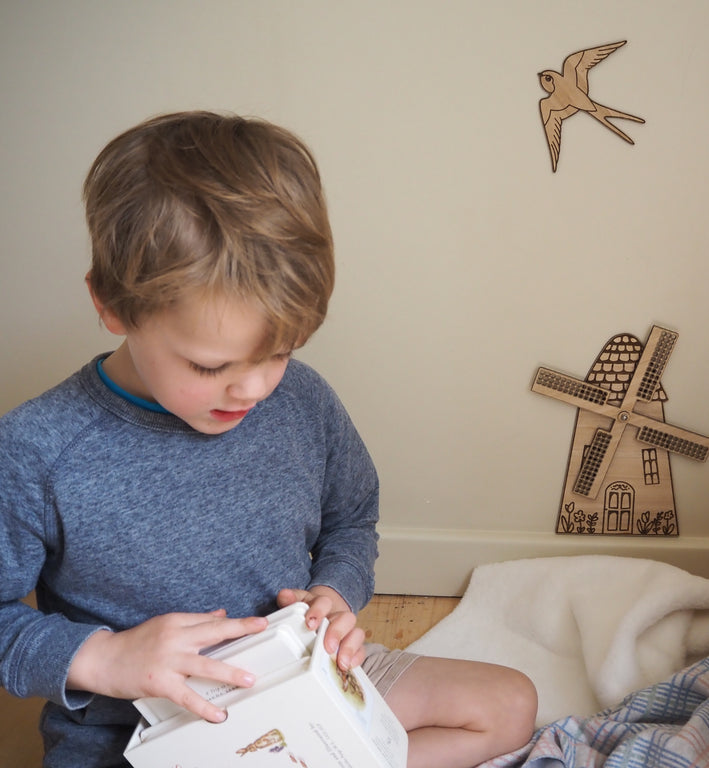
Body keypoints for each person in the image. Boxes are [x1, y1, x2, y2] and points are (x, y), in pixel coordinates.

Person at [0, 111, 537, 768]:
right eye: (210, 366)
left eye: (279, 351)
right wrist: (107, 659)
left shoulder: (303, 400)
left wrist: (335, 593)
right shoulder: (37, 451)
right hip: (140, 736)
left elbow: (351, 518)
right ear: (112, 305)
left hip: (303, 685)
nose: (252, 390)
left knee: (508, 705)